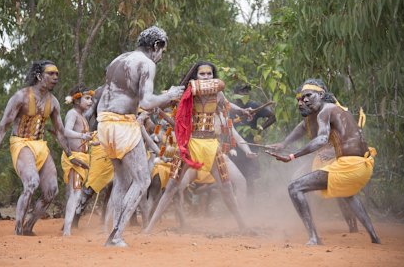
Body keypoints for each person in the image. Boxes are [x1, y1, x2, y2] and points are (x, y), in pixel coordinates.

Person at [96, 26, 185, 247]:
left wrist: (162, 99)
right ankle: (115, 236)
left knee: (122, 181)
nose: (161, 56)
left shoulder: (119, 59)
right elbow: (146, 102)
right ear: (156, 46)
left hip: (104, 124)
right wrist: (170, 95)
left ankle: (114, 235)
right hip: (123, 125)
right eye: (162, 51)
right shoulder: (147, 63)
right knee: (143, 180)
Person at [266, 78, 380, 245]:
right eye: (300, 98)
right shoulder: (337, 110)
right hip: (363, 166)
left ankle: (314, 237)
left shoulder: (325, 110)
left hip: (349, 165)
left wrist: (292, 156)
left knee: (294, 188)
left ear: (321, 94)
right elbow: (303, 126)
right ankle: (374, 237)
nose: (303, 100)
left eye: (308, 96)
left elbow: (320, 140)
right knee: (347, 193)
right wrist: (284, 144)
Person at [144, 61, 253, 233]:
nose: (206, 77)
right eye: (202, 74)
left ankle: (243, 226)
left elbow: (227, 105)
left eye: (209, 74)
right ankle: (148, 229)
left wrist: (242, 111)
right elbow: (165, 104)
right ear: (196, 76)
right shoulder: (187, 93)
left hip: (211, 146)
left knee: (226, 187)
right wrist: (157, 108)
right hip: (191, 145)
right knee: (172, 186)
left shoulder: (217, 93)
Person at [0, 60, 88, 236]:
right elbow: (3, 125)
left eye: (57, 74)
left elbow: (61, 133)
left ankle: (28, 227)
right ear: (39, 76)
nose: (56, 77)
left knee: (51, 190)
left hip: (40, 145)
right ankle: (18, 230)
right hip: (21, 143)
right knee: (32, 183)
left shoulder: (53, 102)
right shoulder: (21, 96)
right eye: (51, 74)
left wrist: (70, 155)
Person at [61, 84, 94, 236]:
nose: (90, 101)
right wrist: (83, 136)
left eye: (91, 99)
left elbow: (82, 137)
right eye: (87, 98)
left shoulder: (82, 116)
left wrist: (92, 142)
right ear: (76, 100)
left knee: (76, 193)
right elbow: (66, 132)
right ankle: (67, 230)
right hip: (74, 158)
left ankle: (67, 227)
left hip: (82, 158)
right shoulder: (72, 114)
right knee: (75, 193)